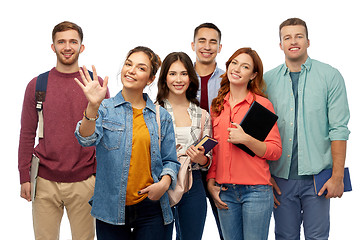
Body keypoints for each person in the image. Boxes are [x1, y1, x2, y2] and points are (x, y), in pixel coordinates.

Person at [74, 46, 180, 240]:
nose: (131, 70)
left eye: (141, 68)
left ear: (150, 79)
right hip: (110, 207)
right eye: (128, 64)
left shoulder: (160, 116)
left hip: (150, 205)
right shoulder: (104, 108)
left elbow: (171, 161)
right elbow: (85, 139)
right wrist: (92, 106)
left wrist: (163, 184)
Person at [18, 21, 109, 239]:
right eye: (61, 42)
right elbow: (27, 133)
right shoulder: (37, 85)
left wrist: (103, 180)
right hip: (45, 180)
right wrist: (24, 176)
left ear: (81, 47)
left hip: (85, 180)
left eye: (73, 42)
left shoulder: (95, 84)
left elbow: (106, 136)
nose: (67, 47)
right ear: (53, 47)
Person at [264, 18, 350, 240]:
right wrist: (265, 176)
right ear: (280, 44)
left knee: (318, 237)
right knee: (284, 236)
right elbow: (258, 134)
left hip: (318, 179)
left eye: (298, 36)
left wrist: (338, 176)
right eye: (287, 37)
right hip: (280, 178)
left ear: (308, 41)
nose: (293, 41)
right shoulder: (267, 81)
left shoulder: (330, 76)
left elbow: (339, 129)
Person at [207, 47, 282, 240]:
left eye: (245, 66)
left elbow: (275, 151)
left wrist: (246, 139)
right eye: (234, 63)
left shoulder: (262, 105)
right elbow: (214, 152)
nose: (237, 69)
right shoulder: (217, 105)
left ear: (253, 75)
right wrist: (210, 182)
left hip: (255, 191)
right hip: (225, 192)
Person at [156, 52, 212, 240]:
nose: (178, 79)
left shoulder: (202, 114)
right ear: (164, 78)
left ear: (191, 77)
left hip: (193, 182)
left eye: (184, 73)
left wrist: (201, 159)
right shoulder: (153, 111)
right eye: (172, 74)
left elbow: (207, 161)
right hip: (160, 181)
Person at [191, 22, 225, 240]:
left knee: (227, 228)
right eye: (202, 40)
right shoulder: (180, 77)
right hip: (189, 164)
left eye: (213, 41)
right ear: (193, 44)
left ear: (220, 47)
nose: (207, 46)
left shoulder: (228, 79)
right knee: (189, 230)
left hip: (221, 163)